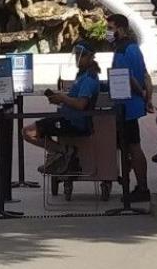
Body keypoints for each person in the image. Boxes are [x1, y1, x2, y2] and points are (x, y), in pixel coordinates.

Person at [22, 43, 102, 175]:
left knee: (28, 132)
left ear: (90, 57)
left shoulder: (89, 79)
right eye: (76, 55)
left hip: (75, 122)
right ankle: (57, 154)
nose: (77, 58)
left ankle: (63, 152)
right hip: (67, 117)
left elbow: (81, 104)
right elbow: (73, 100)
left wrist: (63, 98)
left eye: (81, 55)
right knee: (29, 131)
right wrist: (59, 100)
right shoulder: (81, 76)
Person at [106, 13, 152, 202]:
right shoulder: (134, 48)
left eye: (110, 28)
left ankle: (141, 187)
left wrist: (140, 92)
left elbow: (127, 76)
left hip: (126, 105)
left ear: (121, 28)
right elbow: (146, 76)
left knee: (132, 147)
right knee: (130, 146)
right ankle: (131, 182)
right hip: (134, 104)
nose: (108, 32)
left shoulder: (122, 50)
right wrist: (146, 98)